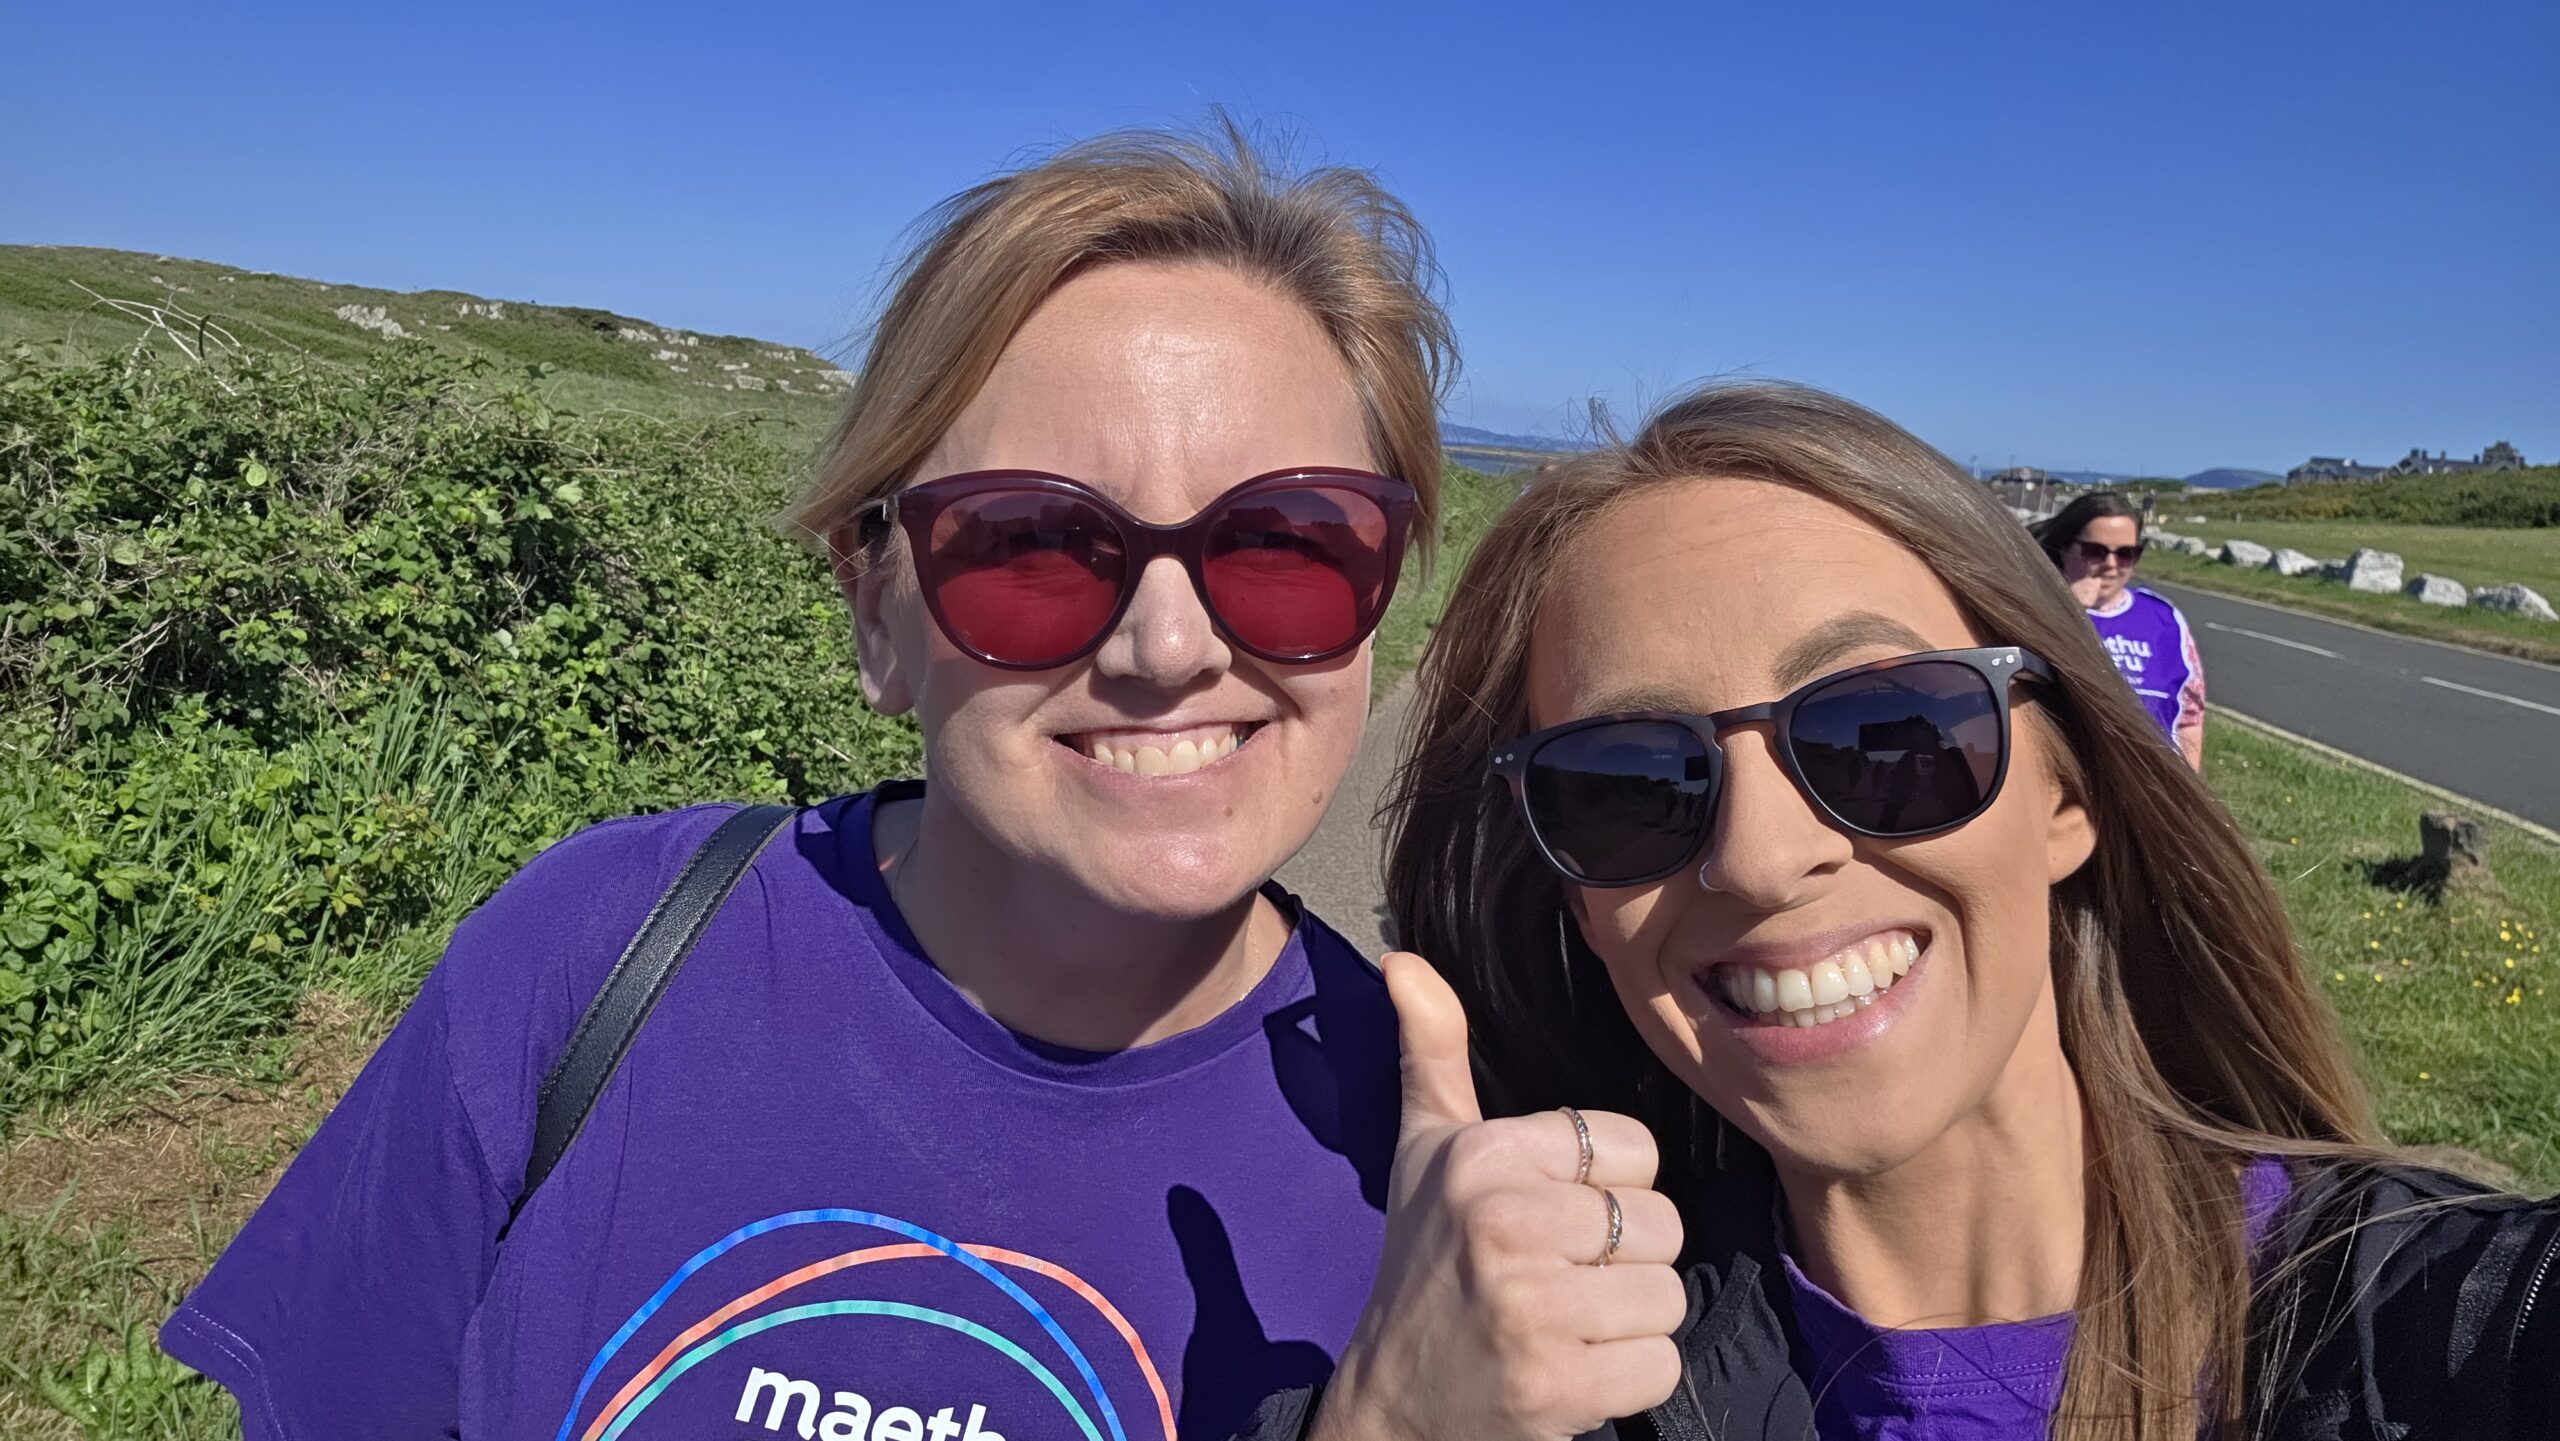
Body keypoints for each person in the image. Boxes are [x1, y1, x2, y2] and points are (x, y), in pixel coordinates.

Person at [161, 126, 1455, 1441]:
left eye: (1288, 542)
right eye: (1035, 543)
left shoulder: (1424, 1168)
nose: (1170, 648)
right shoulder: (591, 957)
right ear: (874, 604)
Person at [1247, 383, 2560, 1440]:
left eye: (1887, 731)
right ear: (1578, 910)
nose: (1761, 860)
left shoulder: (2457, 1334)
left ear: (2068, 792)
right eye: (1630, 784)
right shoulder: (1544, 1400)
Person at [2035, 491, 2205, 770]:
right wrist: (2069, 611)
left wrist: (2191, 788)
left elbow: (2190, 714)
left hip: (2151, 784)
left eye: (2126, 554)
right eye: (2095, 552)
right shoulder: (2039, 609)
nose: (2111, 565)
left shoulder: (2164, 618)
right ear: (2065, 547)